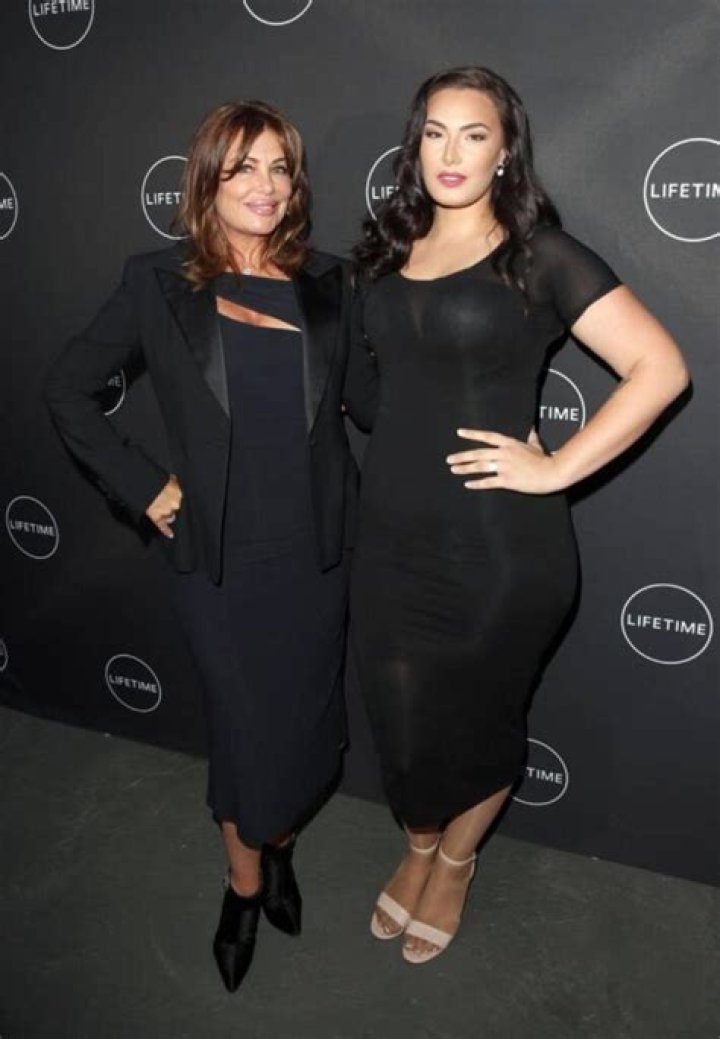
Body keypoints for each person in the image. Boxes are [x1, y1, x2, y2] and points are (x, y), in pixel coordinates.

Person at [351, 66, 688, 965]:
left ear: (506, 152)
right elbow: (374, 388)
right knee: (401, 725)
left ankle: (453, 861)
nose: (450, 153)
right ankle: (419, 840)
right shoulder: (384, 251)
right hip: (389, 540)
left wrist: (558, 466)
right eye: (434, 132)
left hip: (499, 546)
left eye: (474, 134)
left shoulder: (539, 255)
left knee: (481, 721)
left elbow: (660, 367)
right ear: (415, 143)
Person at [44, 100, 377, 991]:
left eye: (280, 167)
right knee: (244, 728)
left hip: (318, 554)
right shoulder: (157, 283)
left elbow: (377, 404)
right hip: (218, 561)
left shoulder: (334, 282)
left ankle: (280, 845)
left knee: (303, 724)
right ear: (207, 180)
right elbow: (68, 388)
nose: (266, 186)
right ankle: (243, 885)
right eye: (243, 168)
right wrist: (147, 486)